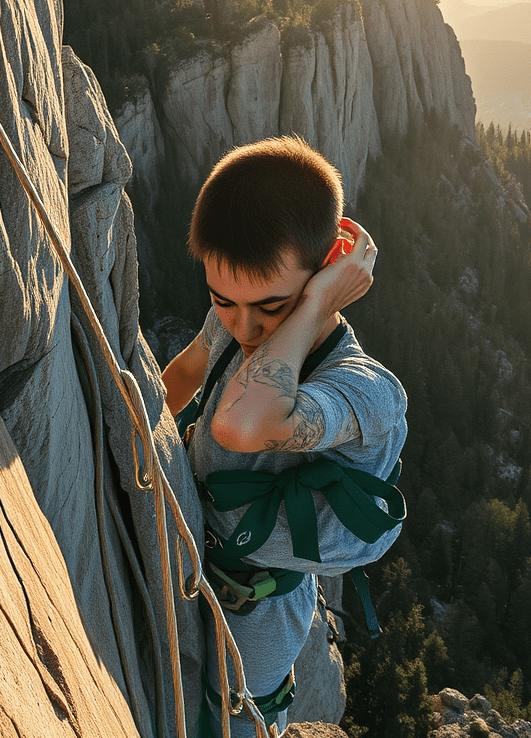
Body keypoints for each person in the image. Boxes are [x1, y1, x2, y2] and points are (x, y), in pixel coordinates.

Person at [161, 137, 407, 737]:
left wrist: (319, 298)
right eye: (224, 301)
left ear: (333, 265)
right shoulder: (243, 315)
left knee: (226, 722)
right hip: (194, 550)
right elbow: (189, 371)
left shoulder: (364, 391)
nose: (245, 327)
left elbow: (240, 425)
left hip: (258, 611)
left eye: (272, 306)